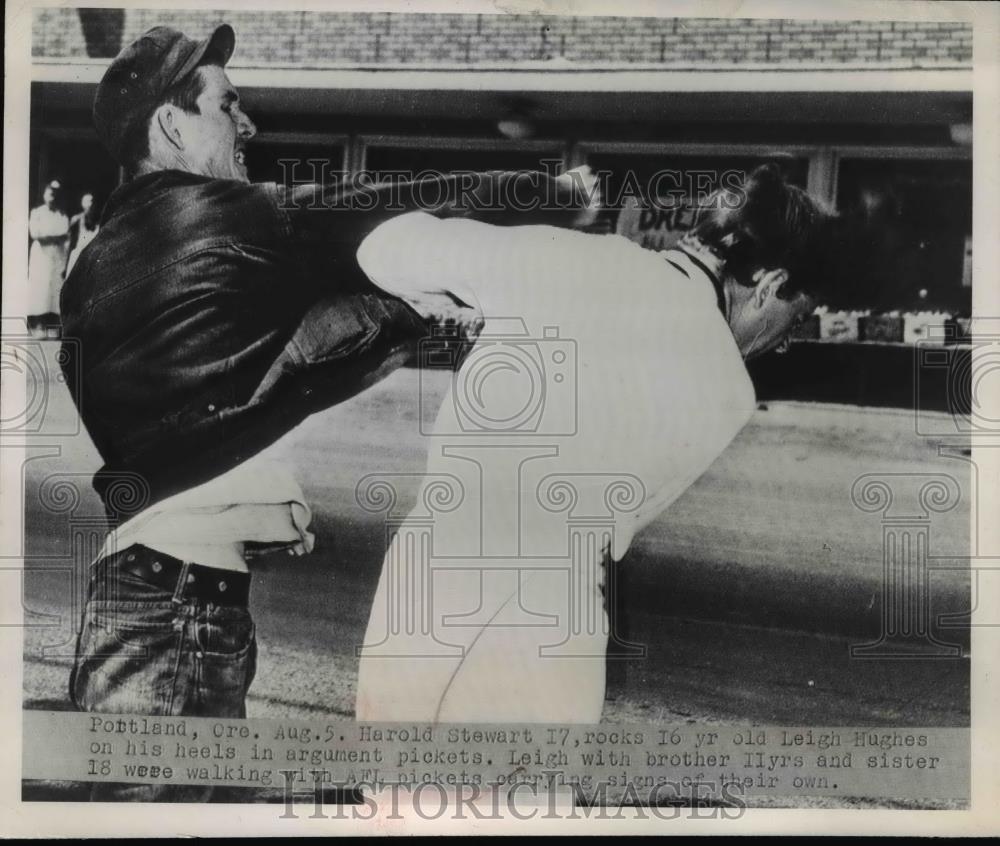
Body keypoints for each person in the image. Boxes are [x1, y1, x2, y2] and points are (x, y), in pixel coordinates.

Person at [59, 23, 591, 801]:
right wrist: (545, 194)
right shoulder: (221, 216)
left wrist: (257, 496)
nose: (249, 125)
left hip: (155, 601)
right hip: (172, 618)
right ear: (172, 124)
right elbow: (380, 206)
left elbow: (234, 383)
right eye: (227, 106)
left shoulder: (94, 264)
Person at [354, 164, 839, 723]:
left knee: (394, 796)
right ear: (772, 285)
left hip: (435, 566)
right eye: (795, 320)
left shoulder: (568, 255)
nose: (782, 345)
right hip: (555, 606)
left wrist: (486, 270)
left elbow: (382, 248)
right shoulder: (729, 392)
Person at [27, 180, 70, 335]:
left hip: (57, 256)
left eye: (55, 193)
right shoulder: (37, 213)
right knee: (41, 287)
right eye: (49, 192)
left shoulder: (62, 214)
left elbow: (65, 235)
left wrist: (51, 237)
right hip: (41, 256)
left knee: (55, 288)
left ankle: (52, 324)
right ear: (44, 194)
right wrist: (53, 237)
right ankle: (38, 325)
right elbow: (36, 234)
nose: (52, 196)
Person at [65, 192, 101, 277]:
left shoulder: (99, 220)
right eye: (87, 202)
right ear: (83, 204)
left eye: (92, 201)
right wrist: (66, 265)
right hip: (77, 257)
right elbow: (70, 244)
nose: (90, 205)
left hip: (92, 259)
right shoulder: (76, 220)